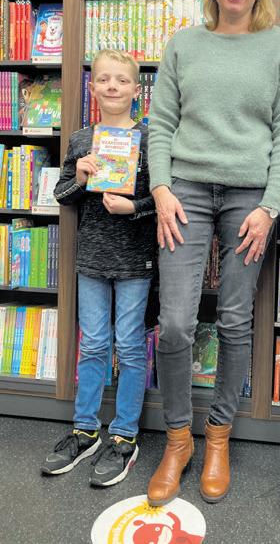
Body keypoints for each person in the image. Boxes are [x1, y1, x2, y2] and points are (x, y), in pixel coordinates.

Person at [146, 0, 280, 507]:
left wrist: (269, 206)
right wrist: (160, 189)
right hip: (184, 189)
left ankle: (218, 436)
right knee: (175, 323)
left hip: (250, 196)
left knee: (236, 319)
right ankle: (178, 439)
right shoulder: (183, 44)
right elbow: (161, 124)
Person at [41, 50, 156, 487]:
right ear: (92, 88)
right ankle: (85, 430)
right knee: (92, 345)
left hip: (135, 260)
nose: (112, 86)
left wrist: (133, 207)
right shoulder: (81, 140)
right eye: (104, 79)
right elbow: (62, 195)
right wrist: (81, 178)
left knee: (130, 346)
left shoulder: (150, 139)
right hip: (91, 257)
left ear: (136, 89)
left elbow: (162, 201)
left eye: (122, 80)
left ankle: (124, 435)